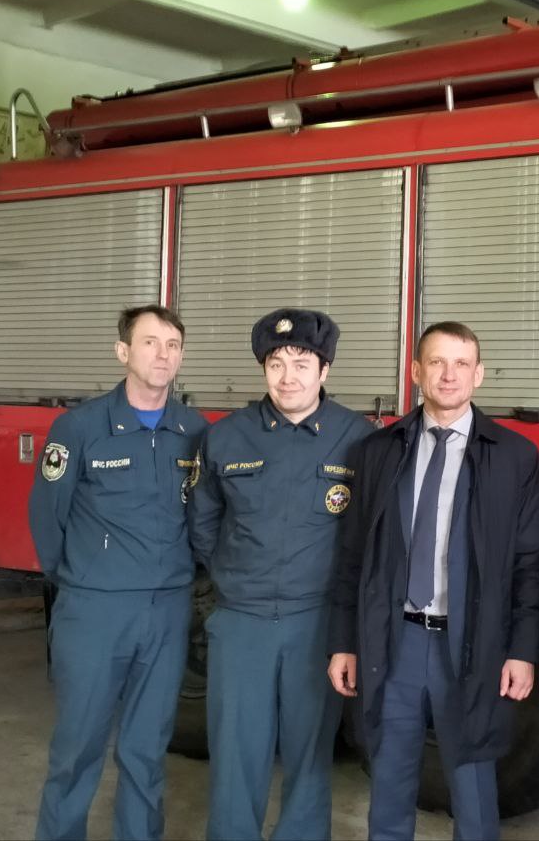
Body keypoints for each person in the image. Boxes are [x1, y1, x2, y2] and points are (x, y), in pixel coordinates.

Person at [327, 321, 539, 841]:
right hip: (396, 642)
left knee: (472, 784)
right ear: (415, 371)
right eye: (436, 362)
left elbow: (531, 563)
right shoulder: (378, 452)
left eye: (461, 364)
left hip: (472, 645)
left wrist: (522, 650)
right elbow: (352, 556)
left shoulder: (515, 457)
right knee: (389, 777)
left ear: (479, 375)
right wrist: (344, 642)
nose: (449, 375)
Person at [187, 308, 372, 840]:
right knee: (234, 753)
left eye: (302, 363)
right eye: (276, 364)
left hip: (316, 623)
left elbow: (367, 534)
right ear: (263, 368)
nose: (288, 377)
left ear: (325, 369)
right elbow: (203, 522)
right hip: (240, 622)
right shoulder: (226, 437)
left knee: (309, 752)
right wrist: (235, 580)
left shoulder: (358, 439)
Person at [29, 304, 208, 841]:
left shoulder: (194, 430)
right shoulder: (79, 428)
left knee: (146, 749)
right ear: (123, 351)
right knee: (77, 748)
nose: (162, 355)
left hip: (168, 610)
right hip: (95, 610)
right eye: (150, 342)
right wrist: (86, 578)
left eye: (173, 345)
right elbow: (48, 518)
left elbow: (204, 514)